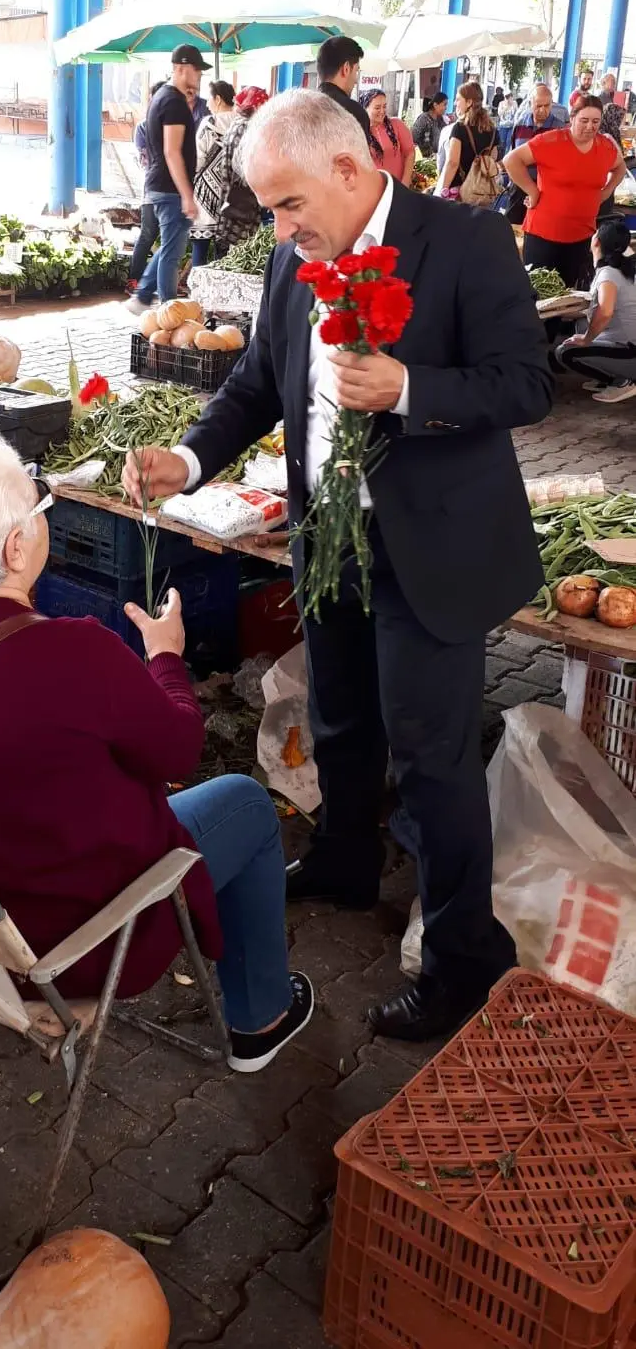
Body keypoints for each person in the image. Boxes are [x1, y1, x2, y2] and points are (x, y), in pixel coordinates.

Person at [121, 88, 553, 1043]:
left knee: (433, 758)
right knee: (339, 716)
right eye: (270, 209)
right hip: (329, 541)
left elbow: (528, 382)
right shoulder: (294, 257)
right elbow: (256, 383)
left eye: (286, 204)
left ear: (350, 171)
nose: (277, 227)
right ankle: (345, 856)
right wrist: (187, 460)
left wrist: (410, 388)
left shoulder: (466, 242)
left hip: (430, 546)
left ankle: (461, 964)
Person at [0, 429, 314, 1073]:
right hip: (73, 934)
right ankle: (260, 1017)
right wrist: (165, 658)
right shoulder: (76, 652)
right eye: (39, 508)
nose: (43, 517)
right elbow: (179, 751)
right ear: (16, 548)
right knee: (245, 802)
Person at [503, 95, 627, 288]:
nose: (590, 127)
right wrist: (532, 191)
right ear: (572, 118)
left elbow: (620, 168)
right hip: (544, 234)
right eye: (584, 121)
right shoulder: (551, 140)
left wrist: (607, 191)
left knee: (568, 293)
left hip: (582, 234)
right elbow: (511, 160)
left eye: (595, 122)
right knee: (538, 291)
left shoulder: (605, 146)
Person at [126, 45, 209, 314]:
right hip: (170, 188)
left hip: (160, 185)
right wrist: (187, 194)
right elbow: (172, 152)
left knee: (172, 245)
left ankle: (142, 296)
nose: (199, 76)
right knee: (172, 254)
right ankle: (168, 312)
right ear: (181, 68)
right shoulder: (173, 102)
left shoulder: (162, 97)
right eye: (197, 70)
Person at [555, 220, 636, 403]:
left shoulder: (608, 273)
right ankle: (607, 375)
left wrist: (586, 339)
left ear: (597, 242)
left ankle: (623, 381)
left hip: (630, 348)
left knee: (565, 352)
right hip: (628, 339)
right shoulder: (624, 267)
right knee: (581, 323)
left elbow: (605, 311)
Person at [212, 86, 268, 254]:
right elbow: (244, 169)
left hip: (233, 201)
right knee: (233, 252)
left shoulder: (238, 124)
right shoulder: (247, 129)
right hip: (240, 205)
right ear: (256, 107)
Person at [191, 81, 237, 269]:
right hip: (233, 195)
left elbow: (197, 159)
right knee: (224, 253)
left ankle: (197, 292)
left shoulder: (208, 123)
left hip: (206, 195)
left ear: (218, 99)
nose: (207, 103)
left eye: (210, 98)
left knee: (199, 249)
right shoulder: (243, 124)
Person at [501, 85, 560, 223]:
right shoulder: (520, 124)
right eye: (538, 105)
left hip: (545, 190)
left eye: (547, 105)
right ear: (530, 103)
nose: (542, 110)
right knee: (510, 228)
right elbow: (512, 152)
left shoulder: (558, 129)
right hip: (518, 187)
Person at [127, 82, 164, 291]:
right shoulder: (143, 127)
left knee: (169, 239)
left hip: (172, 192)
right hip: (152, 192)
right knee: (148, 235)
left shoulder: (174, 125)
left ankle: (158, 283)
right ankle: (134, 279)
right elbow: (147, 160)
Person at [434, 81, 499, 199]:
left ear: (469, 102)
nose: (455, 103)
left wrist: (443, 191)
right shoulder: (493, 130)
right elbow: (492, 160)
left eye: (458, 99)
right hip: (481, 193)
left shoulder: (459, 128)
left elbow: (452, 163)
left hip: (458, 193)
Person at [317, 36, 371, 142]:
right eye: (356, 71)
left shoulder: (300, 109)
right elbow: (359, 157)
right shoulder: (353, 113)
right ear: (346, 69)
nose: (356, 81)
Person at [360, 89, 415, 185]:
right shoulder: (360, 131)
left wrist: (405, 181)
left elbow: (410, 152)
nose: (382, 111)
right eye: (377, 108)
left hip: (399, 186)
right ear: (365, 108)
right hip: (373, 189)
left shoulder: (397, 125)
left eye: (384, 107)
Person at [410, 93, 447, 158]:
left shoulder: (441, 120)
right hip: (424, 160)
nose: (446, 108)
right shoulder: (423, 119)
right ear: (435, 105)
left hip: (436, 159)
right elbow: (413, 138)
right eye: (444, 104)